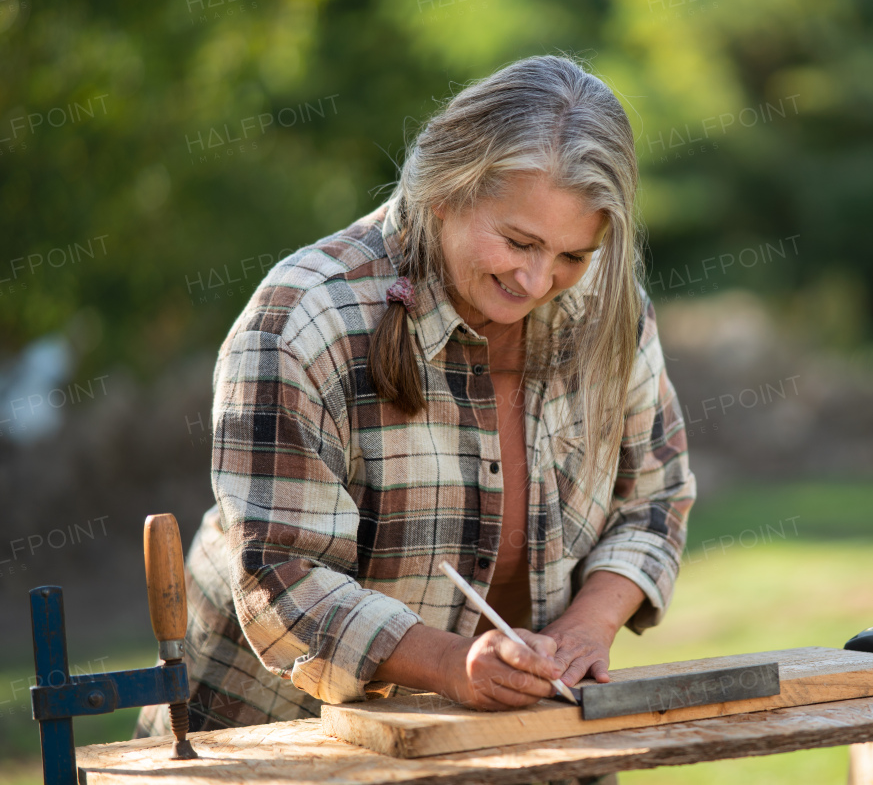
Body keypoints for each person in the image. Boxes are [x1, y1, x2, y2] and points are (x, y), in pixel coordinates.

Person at [135, 56, 695, 744]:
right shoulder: (304, 320)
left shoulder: (606, 309)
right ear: (444, 190)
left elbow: (655, 499)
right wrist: (453, 665)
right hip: (274, 744)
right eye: (519, 241)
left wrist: (587, 627)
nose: (538, 279)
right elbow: (282, 574)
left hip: (518, 737)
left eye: (573, 255)